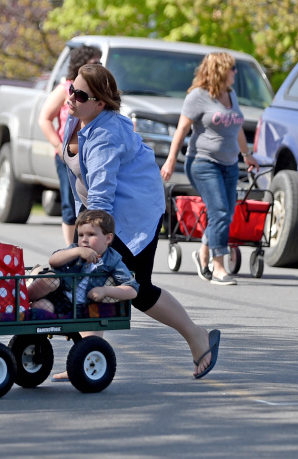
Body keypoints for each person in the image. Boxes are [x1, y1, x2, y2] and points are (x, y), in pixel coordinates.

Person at [61, 63, 221, 379]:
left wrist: (92, 238)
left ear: (100, 103)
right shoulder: (79, 119)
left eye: (80, 94)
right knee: (96, 280)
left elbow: (102, 192)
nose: (72, 97)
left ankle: (196, 337)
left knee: (131, 287)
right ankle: (87, 358)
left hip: (132, 216)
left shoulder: (106, 135)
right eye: (72, 89)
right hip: (105, 211)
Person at [160, 52, 258, 286]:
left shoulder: (231, 94)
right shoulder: (197, 96)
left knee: (227, 214)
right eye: (232, 68)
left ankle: (203, 252)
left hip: (230, 164)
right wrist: (171, 159)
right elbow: (182, 129)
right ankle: (218, 268)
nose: (235, 72)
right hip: (203, 162)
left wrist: (247, 155)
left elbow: (237, 128)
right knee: (220, 212)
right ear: (220, 70)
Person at [38, 46, 103, 246]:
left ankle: (88, 246)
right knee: (70, 204)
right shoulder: (65, 89)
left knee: (90, 204)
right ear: (80, 64)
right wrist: (59, 146)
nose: (99, 65)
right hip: (68, 157)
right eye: (94, 62)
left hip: (91, 157)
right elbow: (44, 119)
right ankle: (71, 249)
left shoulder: (98, 91)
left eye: (100, 62)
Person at [28, 210, 139, 317]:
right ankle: (22, 299)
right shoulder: (75, 250)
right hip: (60, 296)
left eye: (91, 234)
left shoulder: (113, 259)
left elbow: (132, 290)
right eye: (81, 235)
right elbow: (53, 260)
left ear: (108, 238)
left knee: (40, 307)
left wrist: (105, 291)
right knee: (50, 279)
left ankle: (39, 322)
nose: (84, 239)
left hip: (83, 306)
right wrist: (77, 251)